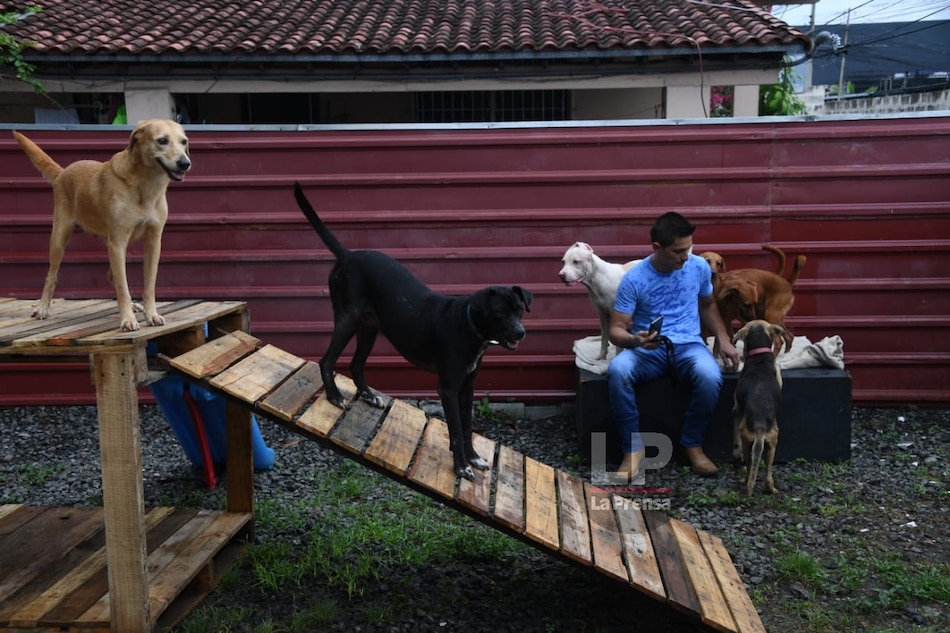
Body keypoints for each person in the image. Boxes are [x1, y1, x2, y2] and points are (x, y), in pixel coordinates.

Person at [606, 212, 740, 480]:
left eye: (688, 248)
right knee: (617, 371)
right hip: (648, 349)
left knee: (710, 375)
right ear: (657, 248)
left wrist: (724, 339)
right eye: (678, 251)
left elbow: (708, 304)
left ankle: (692, 444)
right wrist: (635, 340)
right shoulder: (634, 278)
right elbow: (615, 330)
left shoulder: (699, 266)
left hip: (689, 345)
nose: (686, 256)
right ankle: (633, 450)